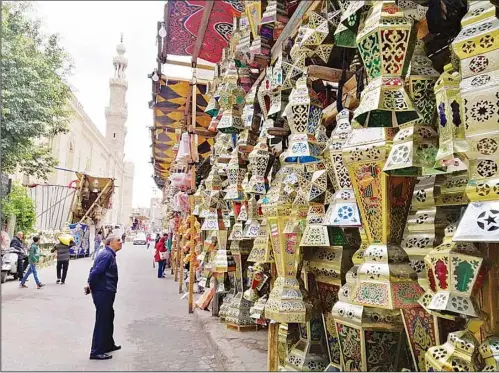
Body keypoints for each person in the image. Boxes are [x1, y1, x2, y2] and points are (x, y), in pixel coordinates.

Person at [85, 235, 122, 360]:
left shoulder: (108, 254)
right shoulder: (107, 255)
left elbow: (93, 269)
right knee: (102, 320)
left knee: (109, 316)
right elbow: (96, 272)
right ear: (110, 243)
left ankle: (107, 344)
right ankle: (96, 351)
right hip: (103, 291)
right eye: (118, 240)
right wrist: (90, 284)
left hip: (106, 290)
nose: (120, 242)